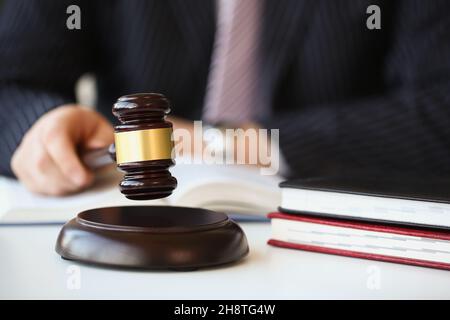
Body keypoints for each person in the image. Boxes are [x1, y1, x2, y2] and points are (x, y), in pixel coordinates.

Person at [0, 0, 449, 196]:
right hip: (128, 228)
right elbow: (10, 80)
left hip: (332, 227)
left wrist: (225, 142)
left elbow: (440, 106)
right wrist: (41, 126)